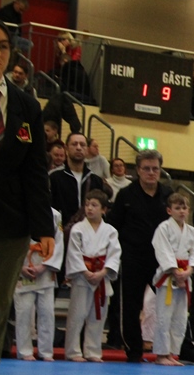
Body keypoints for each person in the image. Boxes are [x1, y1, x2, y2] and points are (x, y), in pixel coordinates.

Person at [0, 14, 56, 375]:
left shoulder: (26, 105)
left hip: (8, 224)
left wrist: (44, 228)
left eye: (2, 46)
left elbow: (35, 172)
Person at [106, 149, 175, 363]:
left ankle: (175, 349)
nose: (151, 172)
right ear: (138, 170)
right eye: (146, 168)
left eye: (155, 168)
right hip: (132, 257)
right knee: (130, 306)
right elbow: (113, 227)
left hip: (161, 259)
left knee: (170, 304)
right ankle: (134, 350)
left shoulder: (168, 195)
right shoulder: (126, 195)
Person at [64, 191, 121, 362]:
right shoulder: (78, 228)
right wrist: (85, 271)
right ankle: (73, 351)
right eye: (87, 204)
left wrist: (103, 272)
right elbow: (74, 253)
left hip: (101, 277)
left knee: (98, 316)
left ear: (104, 209)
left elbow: (114, 254)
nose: (89, 208)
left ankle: (93, 351)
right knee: (77, 315)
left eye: (94, 205)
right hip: (83, 276)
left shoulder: (110, 231)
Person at [151, 193, 194, 366]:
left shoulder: (191, 231)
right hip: (167, 277)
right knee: (164, 317)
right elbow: (162, 250)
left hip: (185, 277)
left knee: (180, 319)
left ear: (188, 210)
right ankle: (161, 354)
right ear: (169, 210)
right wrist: (174, 270)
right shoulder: (163, 228)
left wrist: (189, 270)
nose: (181, 211)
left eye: (184, 208)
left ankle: (172, 354)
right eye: (177, 208)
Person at [13, 208, 64, 362]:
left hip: (45, 270)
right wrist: (19, 267)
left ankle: (46, 351)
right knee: (23, 313)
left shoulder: (55, 215)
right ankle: (24, 351)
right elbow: (12, 243)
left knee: (47, 313)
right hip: (24, 268)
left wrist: (45, 266)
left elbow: (59, 244)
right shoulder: (18, 211)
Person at [50, 132, 109, 226]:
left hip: (89, 231)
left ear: (87, 149)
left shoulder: (95, 180)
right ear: (66, 148)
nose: (78, 148)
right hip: (61, 231)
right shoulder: (54, 177)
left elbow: (101, 211)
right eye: (74, 144)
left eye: (82, 145)